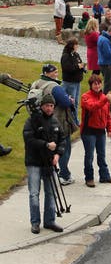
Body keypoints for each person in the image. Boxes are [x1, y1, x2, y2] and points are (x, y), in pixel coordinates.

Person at [23, 93, 65, 234]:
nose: (49, 108)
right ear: (41, 106)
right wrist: (46, 145)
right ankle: (35, 222)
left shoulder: (55, 122)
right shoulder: (32, 121)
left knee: (51, 192)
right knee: (34, 193)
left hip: (49, 162)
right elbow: (29, 139)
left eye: (51, 105)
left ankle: (50, 221)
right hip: (34, 162)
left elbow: (62, 140)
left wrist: (58, 154)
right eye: (47, 105)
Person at [31, 64, 78, 186]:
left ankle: (44, 174)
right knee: (63, 148)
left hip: (40, 122)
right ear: (46, 73)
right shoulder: (54, 87)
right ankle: (64, 175)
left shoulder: (36, 83)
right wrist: (70, 100)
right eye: (53, 72)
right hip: (58, 121)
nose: (56, 73)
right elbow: (65, 102)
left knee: (45, 149)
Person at [80, 75, 111, 188]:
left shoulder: (104, 97)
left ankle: (104, 176)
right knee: (89, 156)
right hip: (88, 131)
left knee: (102, 155)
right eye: (95, 84)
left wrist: (109, 129)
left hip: (100, 131)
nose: (97, 86)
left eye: (99, 83)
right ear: (91, 85)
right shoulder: (85, 97)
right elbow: (92, 107)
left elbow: (107, 116)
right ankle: (89, 178)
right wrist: (105, 99)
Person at [60, 38, 85, 124]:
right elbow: (67, 68)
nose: (77, 46)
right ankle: (71, 120)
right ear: (72, 46)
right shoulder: (65, 56)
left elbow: (80, 63)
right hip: (70, 83)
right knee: (71, 102)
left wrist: (82, 67)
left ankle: (75, 120)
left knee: (76, 102)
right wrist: (78, 67)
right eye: (76, 44)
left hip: (77, 82)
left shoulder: (76, 54)